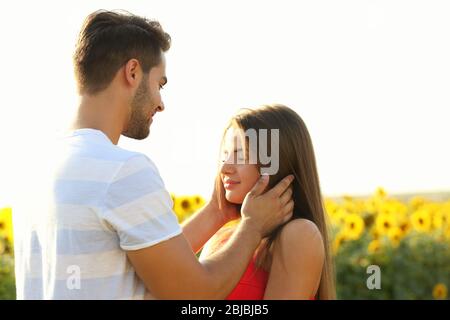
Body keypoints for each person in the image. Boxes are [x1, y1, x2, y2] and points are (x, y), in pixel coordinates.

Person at [13, 10, 294, 299]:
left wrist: (215, 213)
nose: (161, 104)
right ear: (132, 72)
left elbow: (144, 264)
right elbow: (195, 293)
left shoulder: (35, 173)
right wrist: (252, 226)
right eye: (159, 85)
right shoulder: (122, 171)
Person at [199, 105, 336, 299]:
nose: (225, 168)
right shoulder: (224, 235)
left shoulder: (298, 234)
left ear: (278, 162)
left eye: (241, 156)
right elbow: (153, 273)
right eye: (225, 156)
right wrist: (215, 212)